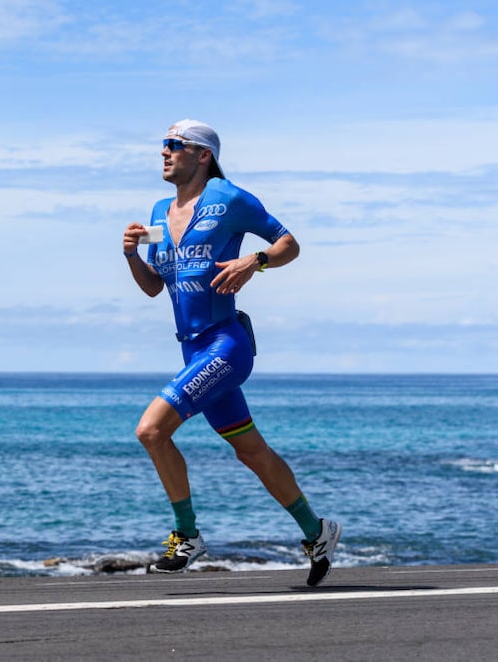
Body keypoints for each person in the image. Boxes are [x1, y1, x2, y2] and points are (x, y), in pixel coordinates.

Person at [122, 119, 341, 587]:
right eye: (163, 145)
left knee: (151, 431)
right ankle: (317, 531)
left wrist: (254, 260)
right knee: (251, 451)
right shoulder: (160, 212)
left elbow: (289, 244)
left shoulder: (231, 199)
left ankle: (187, 536)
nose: (164, 153)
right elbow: (156, 289)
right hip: (193, 352)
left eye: (174, 146)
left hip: (225, 346)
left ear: (202, 155)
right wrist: (131, 257)